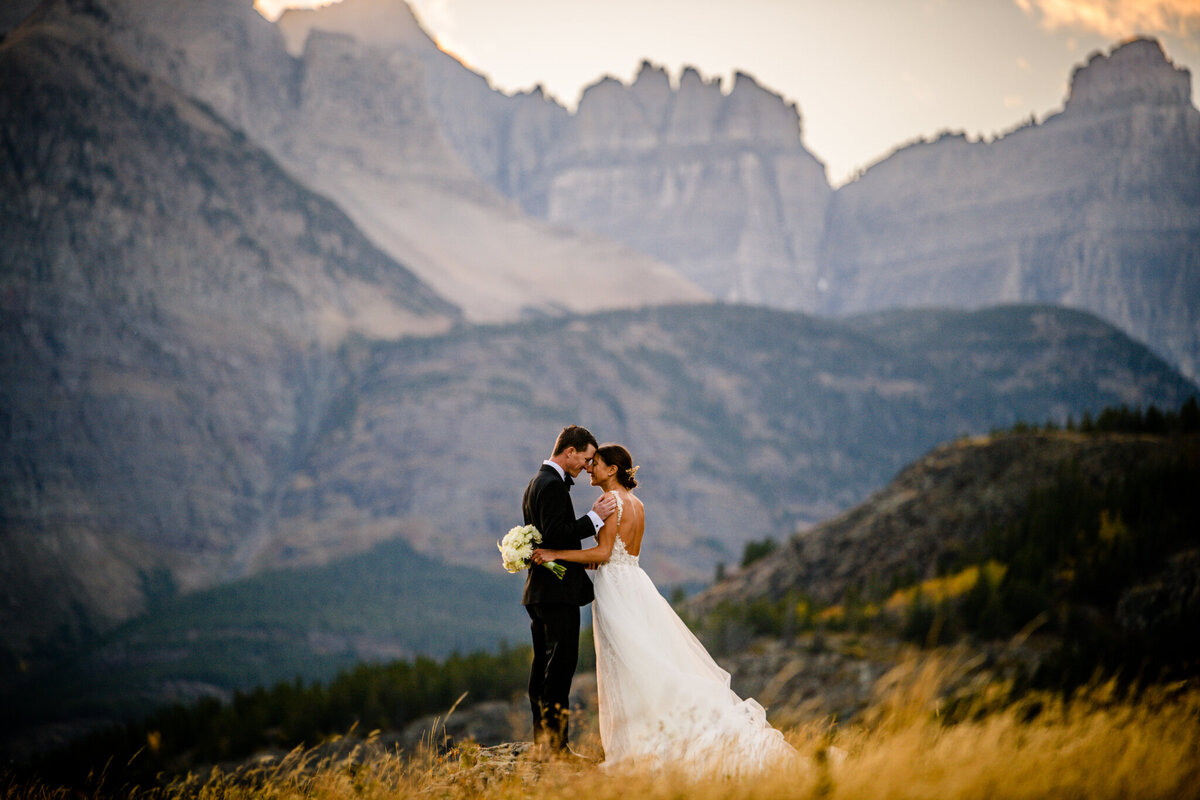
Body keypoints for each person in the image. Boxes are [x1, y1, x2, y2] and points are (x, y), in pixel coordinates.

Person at [532, 443, 796, 775]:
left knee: (629, 664)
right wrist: (569, 563)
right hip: (634, 583)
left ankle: (641, 748)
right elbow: (617, 555)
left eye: (595, 463)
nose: (589, 468)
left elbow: (601, 556)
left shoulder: (612, 502)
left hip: (616, 591)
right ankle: (650, 739)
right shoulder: (637, 504)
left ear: (612, 469)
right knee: (643, 659)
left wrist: (556, 555)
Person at [522, 425, 618, 757]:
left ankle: (544, 744)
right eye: (586, 459)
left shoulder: (535, 484)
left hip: (540, 592)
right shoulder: (550, 485)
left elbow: (545, 538)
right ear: (570, 452)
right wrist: (593, 518)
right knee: (559, 670)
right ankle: (556, 749)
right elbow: (556, 535)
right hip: (556, 593)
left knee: (542, 672)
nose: (587, 467)